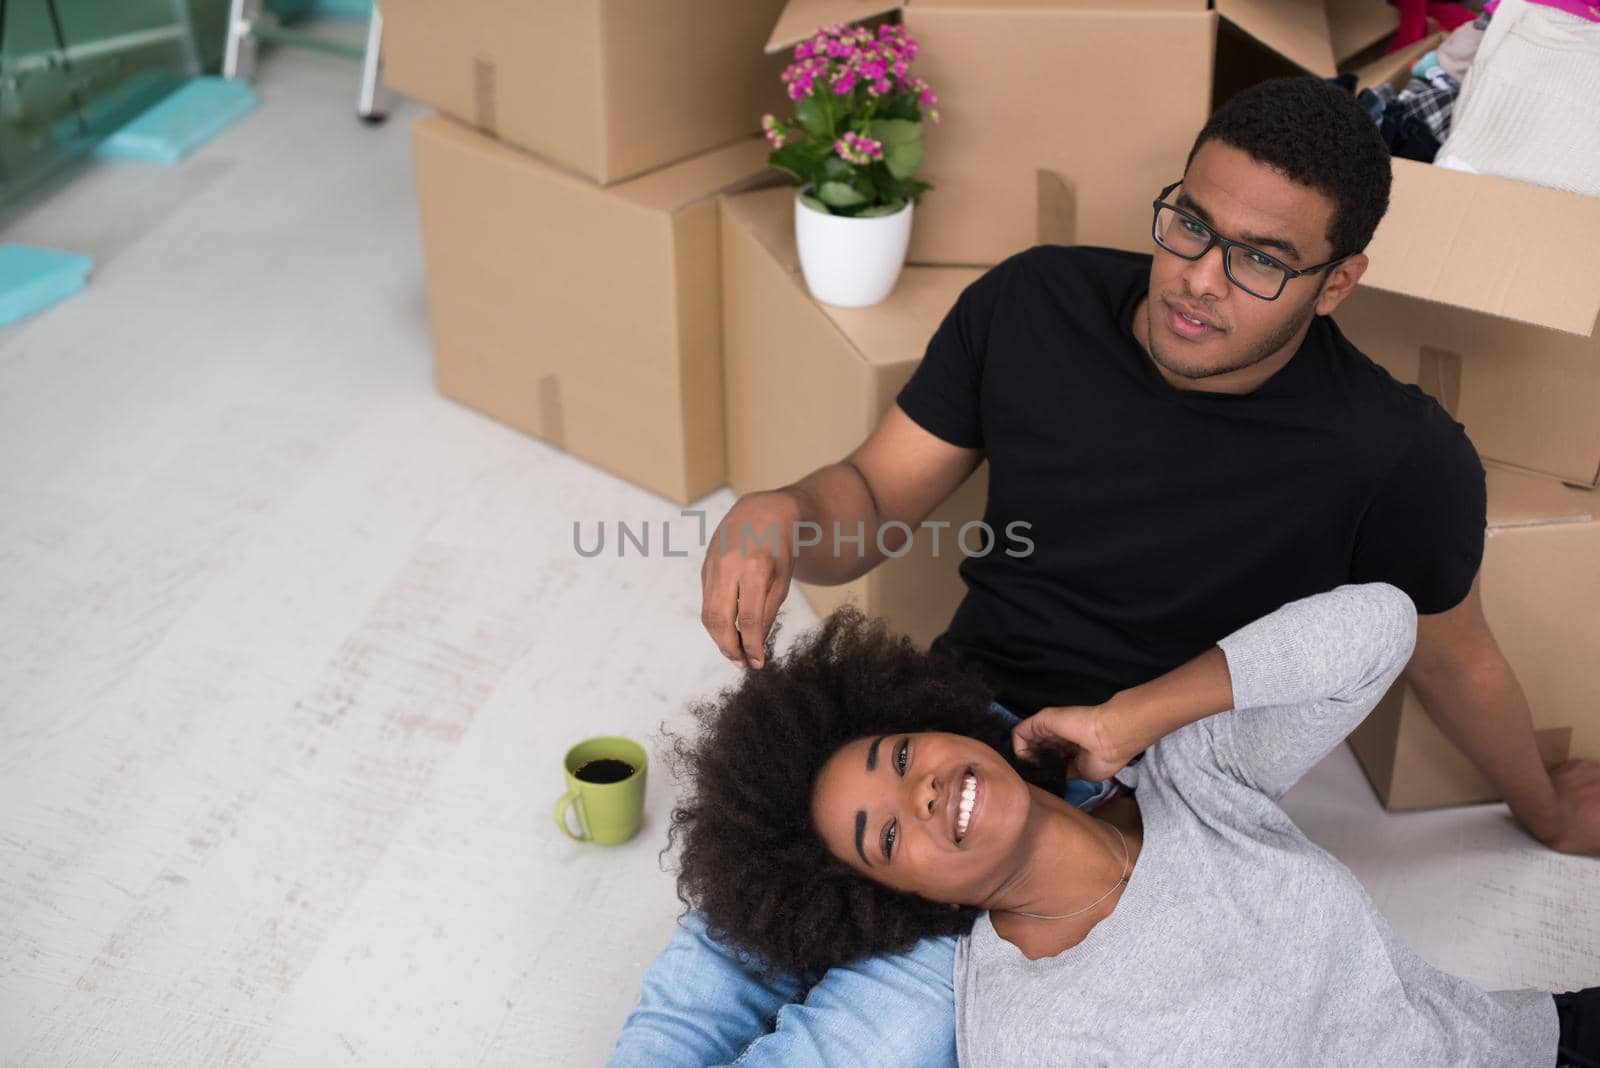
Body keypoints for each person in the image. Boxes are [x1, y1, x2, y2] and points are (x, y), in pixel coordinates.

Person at [610, 74, 1600, 1066]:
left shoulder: (1397, 453)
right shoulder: (1036, 302)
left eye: (1260, 261)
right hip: (930, 730)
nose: (1200, 280)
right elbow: (872, 496)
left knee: (865, 1045)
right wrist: (779, 513)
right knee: (702, 986)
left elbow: (1448, 655)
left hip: (1138, 802)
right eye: (1190, 226)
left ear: (1335, 281)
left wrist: (1544, 809)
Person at [667, 592, 1599, 1066]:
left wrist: (1132, 718)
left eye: (903, 755)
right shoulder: (1026, 1029)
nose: (918, 795)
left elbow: (1382, 624)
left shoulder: (1190, 779)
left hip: (1538, 1037)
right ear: (892, 899)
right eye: (882, 837)